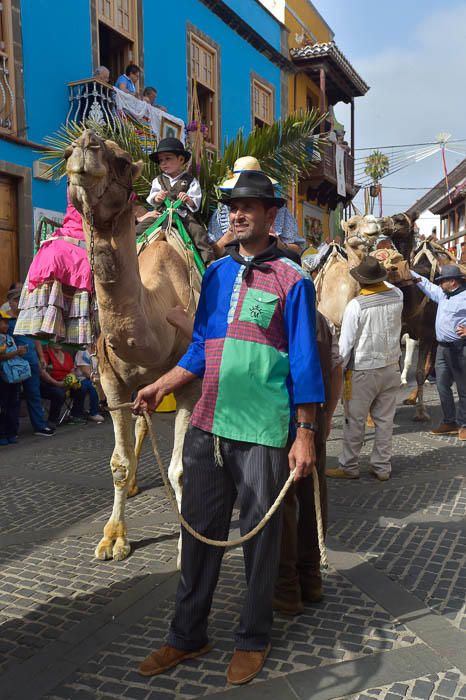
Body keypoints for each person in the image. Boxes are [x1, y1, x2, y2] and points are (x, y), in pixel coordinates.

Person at [133, 170, 325, 684]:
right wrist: (163, 384)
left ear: (270, 214)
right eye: (231, 207)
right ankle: (186, 635)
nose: (236, 214)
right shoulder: (216, 274)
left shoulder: (294, 280)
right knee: (197, 534)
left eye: (248, 206)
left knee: (260, 541)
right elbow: (200, 346)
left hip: (263, 430)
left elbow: (304, 361)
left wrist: (304, 432)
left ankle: (253, 637)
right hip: (206, 424)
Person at [273, 312, 343, 614]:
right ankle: (311, 581)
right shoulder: (322, 320)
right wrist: (326, 417)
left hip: (281, 426)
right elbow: (337, 369)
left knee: (283, 506)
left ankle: (287, 590)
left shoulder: (274, 314)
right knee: (314, 498)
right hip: (315, 423)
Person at [326, 256, 403, 482]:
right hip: (391, 367)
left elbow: (346, 345)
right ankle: (382, 467)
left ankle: (349, 466)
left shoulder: (356, 306)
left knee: (355, 421)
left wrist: (336, 371)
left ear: (361, 281)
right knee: (385, 420)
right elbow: (390, 285)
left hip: (363, 371)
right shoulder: (397, 296)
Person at [14, 192, 93, 345]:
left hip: (89, 239)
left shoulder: (110, 192)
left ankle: (76, 330)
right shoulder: (76, 189)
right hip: (69, 234)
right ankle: (43, 322)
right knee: (52, 254)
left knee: (79, 262)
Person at [136, 137, 214, 265]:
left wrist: (188, 200)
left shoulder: (190, 180)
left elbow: (196, 202)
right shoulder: (158, 180)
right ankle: (128, 254)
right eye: (161, 160)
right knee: (138, 229)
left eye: (168, 158)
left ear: (181, 160)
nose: (164, 163)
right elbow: (152, 197)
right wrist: (157, 198)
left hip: (182, 216)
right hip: (161, 215)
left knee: (198, 232)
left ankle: (208, 261)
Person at [208, 157, 305, 258]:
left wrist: (279, 244)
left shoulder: (281, 214)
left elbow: (298, 250)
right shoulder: (221, 214)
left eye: (248, 207)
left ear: (271, 214)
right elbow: (213, 253)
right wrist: (232, 232)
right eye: (234, 209)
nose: (238, 215)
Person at [410, 264, 466, 440]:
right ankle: (450, 421)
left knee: (463, 389)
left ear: (452, 282)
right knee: (442, 385)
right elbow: (426, 285)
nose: (440, 284)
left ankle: (464, 425)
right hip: (442, 348)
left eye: (442, 281)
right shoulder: (442, 294)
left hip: (460, 348)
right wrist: (408, 270)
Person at [7, 288, 55, 437]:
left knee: (34, 394)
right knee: (13, 398)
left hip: (32, 362)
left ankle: (39, 426)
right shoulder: (6, 320)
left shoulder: (28, 316)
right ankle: (11, 431)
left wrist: (41, 357)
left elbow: (36, 339)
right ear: (10, 303)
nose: (18, 303)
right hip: (14, 364)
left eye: (21, 300)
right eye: (15, 300)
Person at [40, 344, 87, 427]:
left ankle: (75, 415)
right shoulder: (46, 354)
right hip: (50, 383)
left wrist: (70, 380)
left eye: (60, 341)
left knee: (81, 388)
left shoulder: (67, 355)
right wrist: (56, 383)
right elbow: (43, 373)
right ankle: (52, 420)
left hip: (66, 383)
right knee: (59, 393)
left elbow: (72, 371)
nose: (58, 343)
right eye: (55, 341)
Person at [0, 311, 28, 445]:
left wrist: (20, 352)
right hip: (3, 378)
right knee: (3, 406)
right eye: (3, 322)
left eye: (7, 322)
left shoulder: (10, 338)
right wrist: (17, 352)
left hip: (14, 377)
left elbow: (13, 354)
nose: (6, 325)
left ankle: (12, 432)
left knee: (13, 405)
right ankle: (3, 434)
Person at [74, 346, 104, 423]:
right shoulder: (82, 351)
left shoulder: (99, 351)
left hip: (96, 376)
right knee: (94, 385)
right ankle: (93, 413)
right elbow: (86, 372)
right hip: (82, 378)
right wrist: (100, 379)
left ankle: (108, 407)